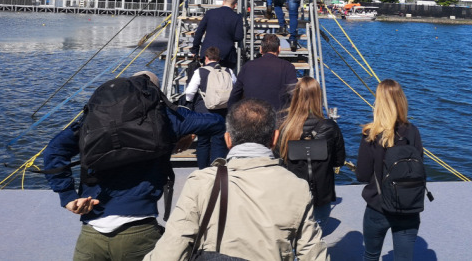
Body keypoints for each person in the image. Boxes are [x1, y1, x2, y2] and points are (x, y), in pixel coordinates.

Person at [44, 71, 226, 261]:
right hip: (140, 230)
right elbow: (218, 123)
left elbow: (53, 151)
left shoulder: (95, 119)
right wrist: (189, 133)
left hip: (92, 232)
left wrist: (68, 196)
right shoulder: (166, 117)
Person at [143, 98, 328, 261]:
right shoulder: (296, 187)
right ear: (275, 139)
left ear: (228, 139)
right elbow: (312, 253)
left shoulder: (201, 182)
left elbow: (171, 249)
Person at [356, 79, 423, 261]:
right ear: (401, 100)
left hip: (378, 206)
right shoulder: (413, 132)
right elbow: (419, 167)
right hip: (408, 206)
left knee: (371, 255)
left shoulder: (371, 134)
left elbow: (362, 175)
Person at [277, 77, 346, 231]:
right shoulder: (330, 127)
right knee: (316, 233)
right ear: (318, 97)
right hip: (321, 194)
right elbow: (339, 160)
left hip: (292, 195)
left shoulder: (284, 127)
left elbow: (278, 160)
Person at [184, 46, 235, 169]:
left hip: (204, 112)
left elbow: (190, 92)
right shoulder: (228, 71)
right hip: (222, 112)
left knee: (203, 142)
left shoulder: (200, 72)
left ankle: (203, 170)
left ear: (206, 58)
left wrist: (189, 102)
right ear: (219, 58)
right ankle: (217, 170)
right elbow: (235, 88)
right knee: (219, 142)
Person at [227, 34, 297, 111]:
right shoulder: (288, 67)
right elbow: (294, 93)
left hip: (253, 116)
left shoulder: (248, 66)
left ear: (261, 49)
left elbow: (236, 93)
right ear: (279, 49)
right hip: (278, 116)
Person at [191, 0, 243, 69]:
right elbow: (239, 37)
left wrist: (195, 50)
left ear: (223, 2)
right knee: (224, 78)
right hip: (226, 54)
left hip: (208, 52)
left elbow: (199, 32)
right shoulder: (237, 17)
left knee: (208, 77)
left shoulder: (210, 13)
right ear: (235, 5)